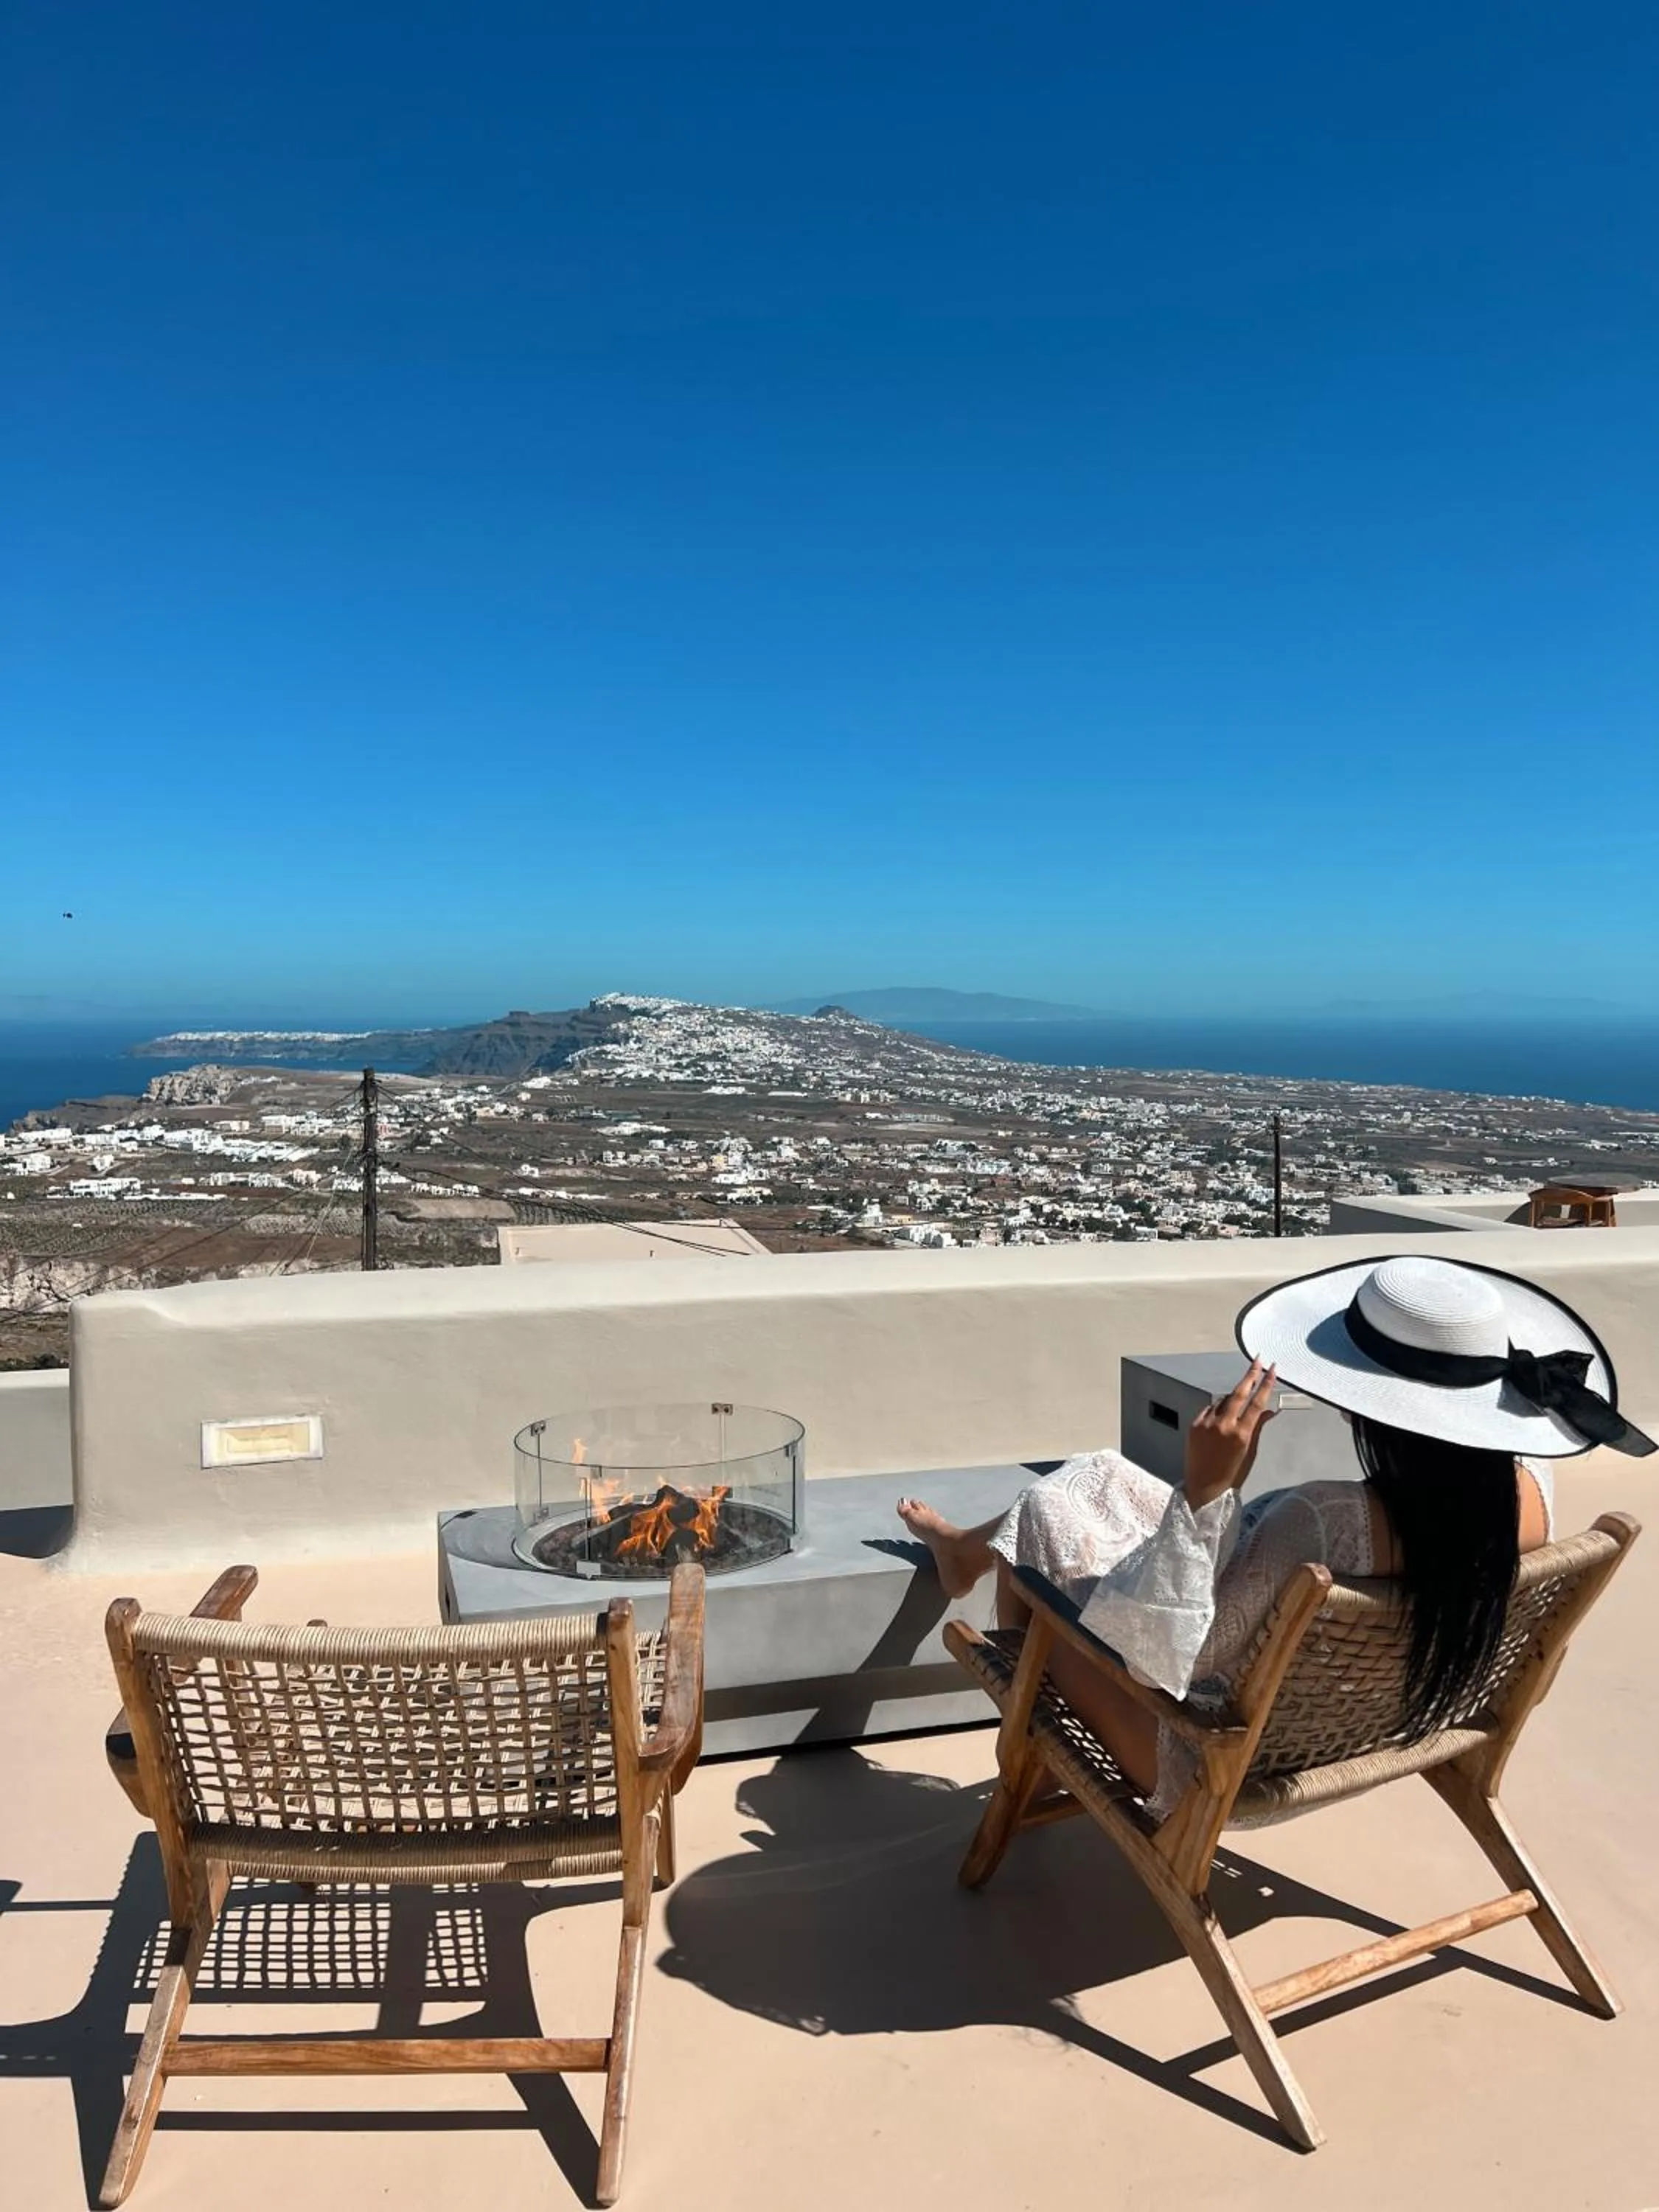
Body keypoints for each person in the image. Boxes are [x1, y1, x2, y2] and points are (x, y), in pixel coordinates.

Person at [899, 1252, 1652, 1820]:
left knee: (1046, 1518)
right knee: (1100, 1475)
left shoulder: (1323, 1522)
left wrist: (1210, 1489)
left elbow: (1165, 1665)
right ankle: (965, 1549)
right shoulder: (1534, 1493)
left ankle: (1016, 1761)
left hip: (1206, 1756)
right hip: (1383, 1724)